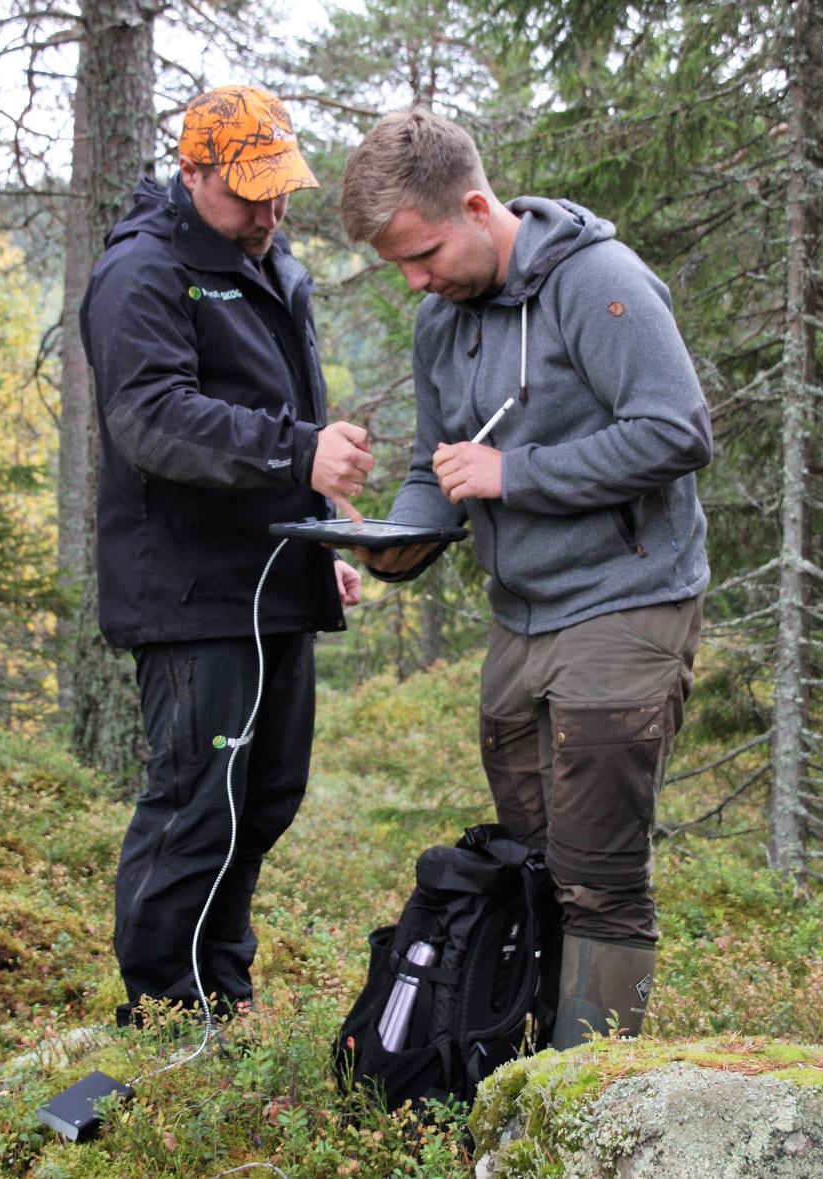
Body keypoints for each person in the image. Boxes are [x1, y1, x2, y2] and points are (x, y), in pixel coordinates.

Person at [339, 108, 712, 1046]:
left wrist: (519, 474)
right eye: (399, 267)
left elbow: (677, 430)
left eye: (422, 254)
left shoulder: (599, 283)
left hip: (626, 601)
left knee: (599, 876)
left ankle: (591, 1105)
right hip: (522, 619)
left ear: (475, 205)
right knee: (534, 861)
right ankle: (521, 1062)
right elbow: (436, 466)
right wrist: (393, 540)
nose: (415, 281)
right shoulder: (441, 320)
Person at [80, 84, 372, 1027]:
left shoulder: (270, 257)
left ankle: (221, 996)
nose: (270, 210)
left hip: (274, 579)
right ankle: (164, 1011)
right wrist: (300, 453)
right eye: (248, 192)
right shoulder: (145, 269)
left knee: (266, 796)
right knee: (195, 807)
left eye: (280, 189)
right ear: (193, 170)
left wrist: (321, 524)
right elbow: (150, 420)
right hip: (191, 594)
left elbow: (281, 403)